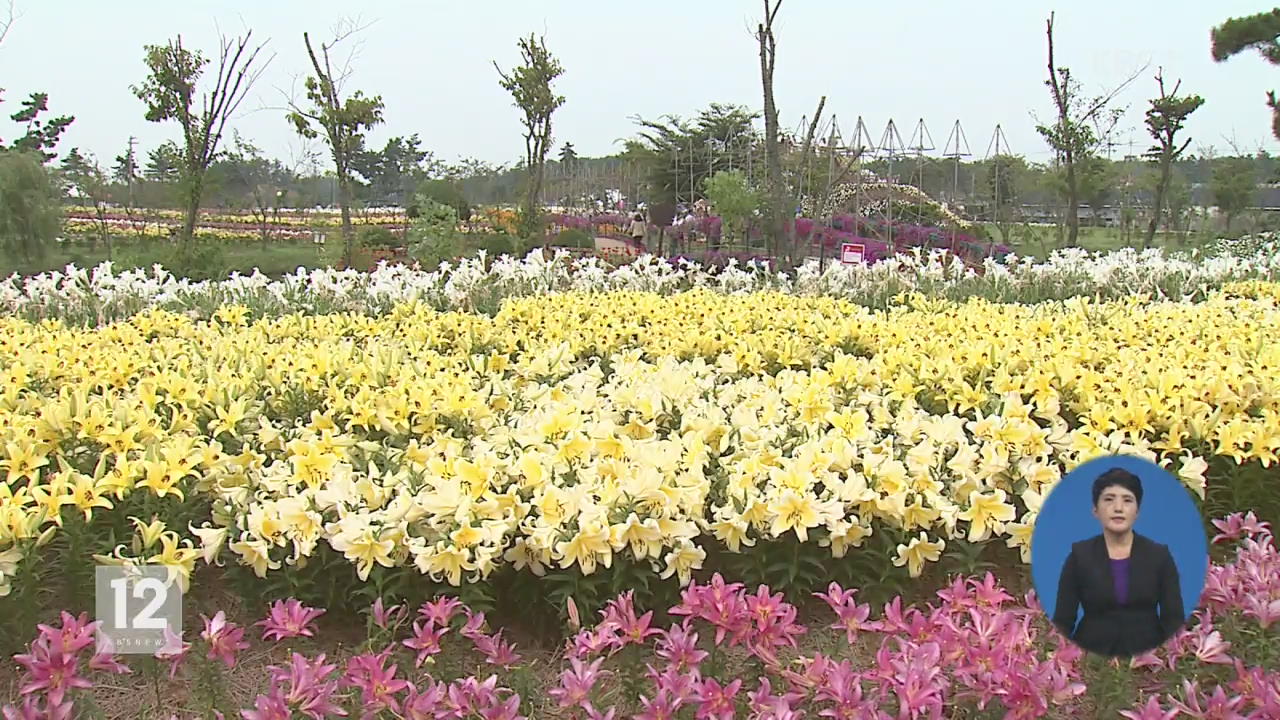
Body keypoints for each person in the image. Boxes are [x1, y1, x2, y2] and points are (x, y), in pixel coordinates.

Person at [1051, 468, 1184, 657]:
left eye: (1127, 500)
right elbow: (1063, 620)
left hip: (1149, 660)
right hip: (1092, 656)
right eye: (1109, 499)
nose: (1118, 508)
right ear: (1095, 510)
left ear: (1137, 510)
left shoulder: (1159, 556)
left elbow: (1173, 619)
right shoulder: (1079, 556)